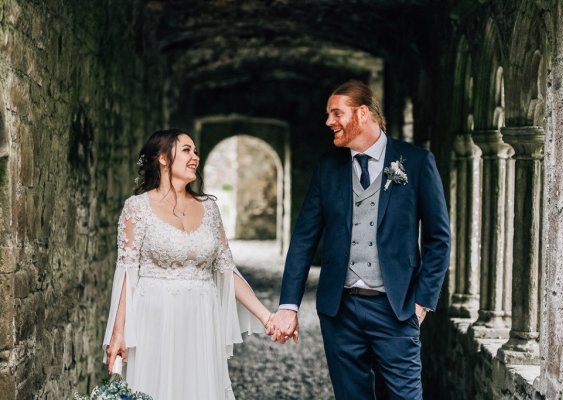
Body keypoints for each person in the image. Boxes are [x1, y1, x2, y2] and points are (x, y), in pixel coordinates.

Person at [271, 80, 451, 399]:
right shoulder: (328, 168)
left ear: (363, 113)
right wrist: (288, 305)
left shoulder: (417, 162)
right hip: (340, 312)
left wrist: (422, 303)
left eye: (336, 113)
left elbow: (439, 239)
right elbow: (303, 239)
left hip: (396, 308)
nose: (328, 122)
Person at [103, 128, 275, 400]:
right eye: (186, 150)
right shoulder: (137, 208)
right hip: (154, 319)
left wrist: (267, 317)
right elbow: (126, 274)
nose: (194, 156)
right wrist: (118, 333)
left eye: (195, 151)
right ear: (162, 158)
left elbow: (226, 270)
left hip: (201, 319)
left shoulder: (209, 208)